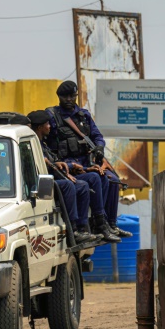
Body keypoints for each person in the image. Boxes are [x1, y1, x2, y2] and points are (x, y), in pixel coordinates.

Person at [46, 81, 131, 241]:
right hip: (67, 164)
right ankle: (99, 222)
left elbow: (97, 136)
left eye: (72, 96)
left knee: (113, 180)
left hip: (86, 162)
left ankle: (110, 224)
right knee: (96, 178)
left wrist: (99, 147)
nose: (69, 100)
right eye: (66, 96)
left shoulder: (83, 115)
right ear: (59, 97)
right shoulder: (53, 116)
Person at [27, 110, 100, 244]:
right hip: (41, 184)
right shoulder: (32, 145)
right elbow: (43, 167)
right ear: (39, 127)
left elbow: (55, 162)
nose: (50, 126)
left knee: (85, 183)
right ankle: (72, 228)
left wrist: (76, 167)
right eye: (47, 124)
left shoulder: (43, 144)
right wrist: (61, 169)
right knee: (68, 185)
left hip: (53, 178)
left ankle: (83, 227)